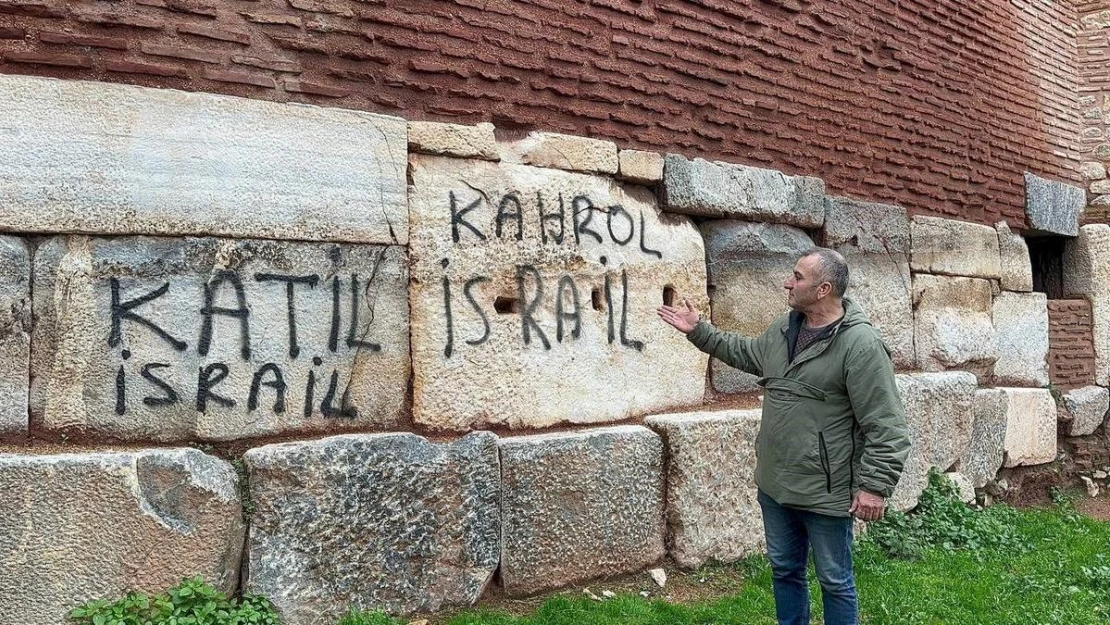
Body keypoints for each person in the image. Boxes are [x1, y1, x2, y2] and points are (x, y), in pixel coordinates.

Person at [657, 247, 910, 625]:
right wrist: (700, 332)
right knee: (784, 571)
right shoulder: (785, 328)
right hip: (776, 484)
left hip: (826, 490)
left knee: (835, 581)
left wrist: (874, 486)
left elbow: (886, 424)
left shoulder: (861, 345)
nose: (787, 282)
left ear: (824, 289)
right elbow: (747, 353)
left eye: (798, 276)